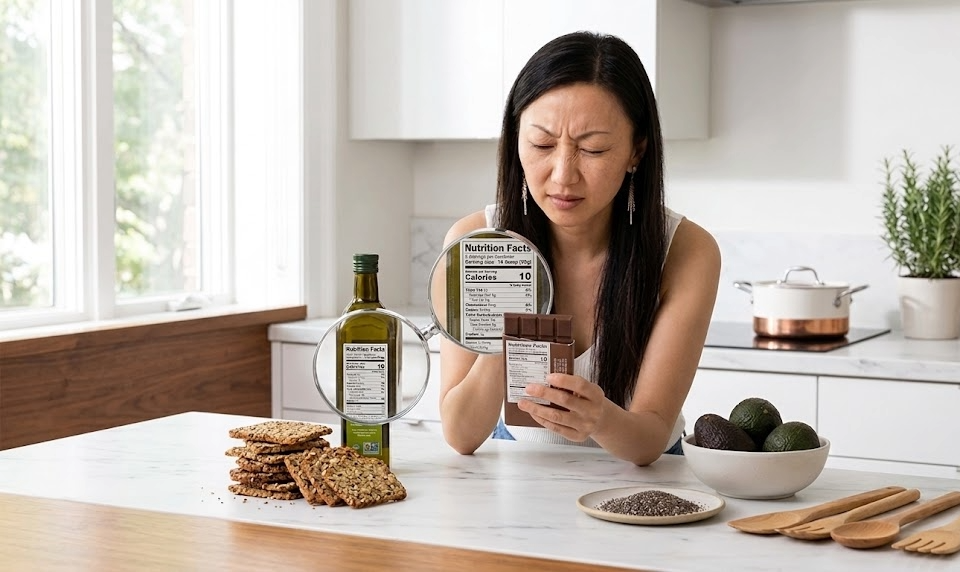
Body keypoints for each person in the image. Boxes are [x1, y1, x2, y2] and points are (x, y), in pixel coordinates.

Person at [437, 31, 721, 466]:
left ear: (636, 152)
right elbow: (460, 435)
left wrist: (599, 419)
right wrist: (507, 333)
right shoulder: (476, 241)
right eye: (542, 145)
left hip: (646, 482)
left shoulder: (687, 252)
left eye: (593, 148)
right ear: (515, 140)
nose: (563, 175)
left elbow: (649, 438)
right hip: (520, 475)